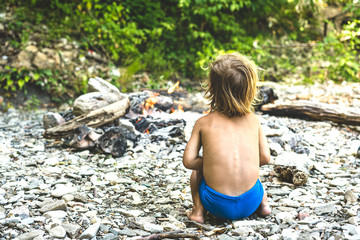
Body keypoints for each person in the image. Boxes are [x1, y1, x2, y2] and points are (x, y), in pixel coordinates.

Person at [183, 52, 272, 223]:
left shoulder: (204, 123)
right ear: (250, 89)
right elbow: (265, 158)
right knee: (251, 164)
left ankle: (197, 212)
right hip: (250, 202)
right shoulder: (254, 121)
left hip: (216, 204)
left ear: (211, 88)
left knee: (197, 171)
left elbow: (188, 161)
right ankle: (264, 205)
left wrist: (213, 163)